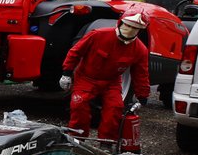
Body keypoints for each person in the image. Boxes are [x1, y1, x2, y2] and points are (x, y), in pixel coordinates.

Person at [61, 11, 151, 140]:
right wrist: (67, 73)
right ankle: (77, 139)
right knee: (79, 106)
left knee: (115, 109)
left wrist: (143, 96)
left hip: (111, 82)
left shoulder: (140, 50)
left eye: (136, 28)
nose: (131, 30)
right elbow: (76, 52)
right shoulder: (98, 35)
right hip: (86, 78)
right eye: (128, 25)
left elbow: (141, 73)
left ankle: (107, 143)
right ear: (120, 23)